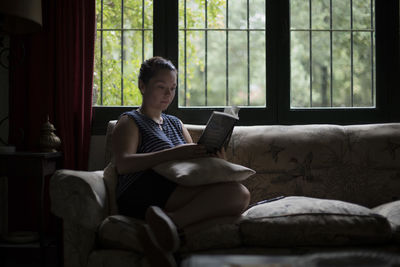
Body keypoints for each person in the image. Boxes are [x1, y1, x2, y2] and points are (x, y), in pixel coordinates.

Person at [112, 56, 250, 267]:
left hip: (178, 188)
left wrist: (215, 159)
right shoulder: (130, 121)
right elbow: (123, 164)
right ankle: (168, 226)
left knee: (239, 194)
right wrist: (173, 153)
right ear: (142, 85)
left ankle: (167, 230)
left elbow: (192, 164)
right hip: (142, 190)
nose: (169, 94)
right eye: (161, 87)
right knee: (237, 194)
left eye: (173, 88)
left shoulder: (176, 123)